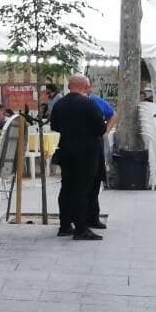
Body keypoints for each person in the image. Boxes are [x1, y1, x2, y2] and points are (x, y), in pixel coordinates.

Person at [50, 74, 107, 241]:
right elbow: (101, 129)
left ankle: (65, 225)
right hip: (86, 153)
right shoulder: (88, 104)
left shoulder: (59, 104)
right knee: (82, 189)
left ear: (70, 86)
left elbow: (55, 126)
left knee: (66, 187)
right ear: (84, 86)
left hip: (66, 150)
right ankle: (81, 228)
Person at [84, 90, 114, 231]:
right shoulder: (69, 102)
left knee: (95, 182)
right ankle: (80, 219)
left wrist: (106, 131)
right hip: (79, 147)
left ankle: (93, 218)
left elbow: (113, 115)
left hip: (95, 145)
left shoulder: (96, 101)